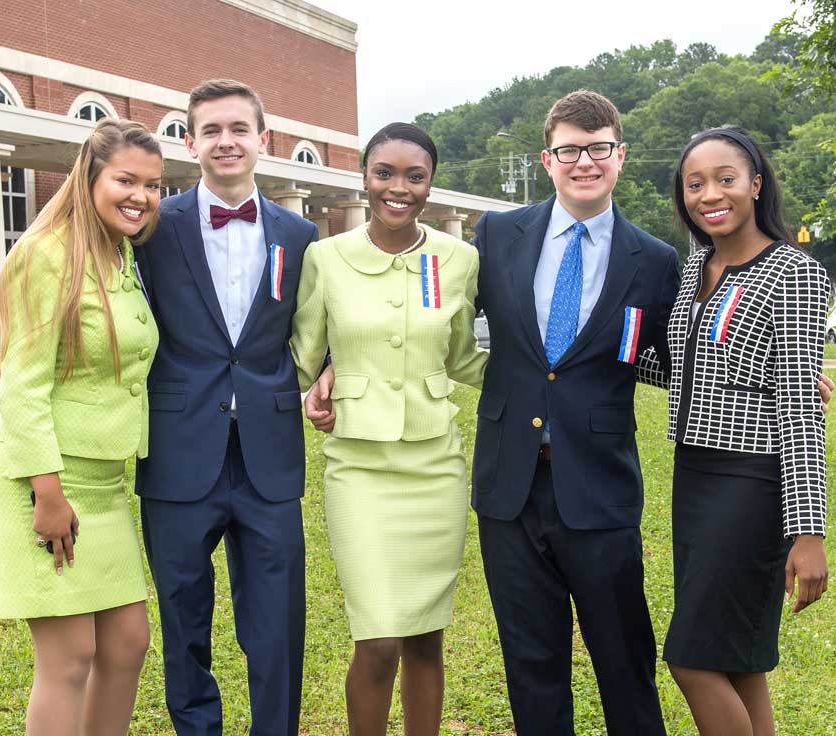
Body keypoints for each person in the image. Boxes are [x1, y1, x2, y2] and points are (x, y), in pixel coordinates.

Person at [469, 90, 677, 734]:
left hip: (599, 486)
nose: (583, 162)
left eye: (597, 150)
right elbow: (432, 317)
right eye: (569, 151)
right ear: (547, 158)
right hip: (509, 484)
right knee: (531, 662)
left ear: (620, 156)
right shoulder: (498, 234)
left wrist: (781, 373)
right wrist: (334, 359)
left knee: (624, 659)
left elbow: (679, 358)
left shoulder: (656, 260)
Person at [289, 122, 488, 736]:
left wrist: (551, 383)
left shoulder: (458, 260)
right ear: (365, 178)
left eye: (414, 176)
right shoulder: (325, 257)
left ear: (431, 184)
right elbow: (302, 353)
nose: (398, 188)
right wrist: (321, 376)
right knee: (378, 640)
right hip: (360, 468)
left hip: (437, 465)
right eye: (385, 174)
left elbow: (460, 357)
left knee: (427, 636)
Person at [134, 79, 318, 736]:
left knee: (277, 629)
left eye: (238, 128)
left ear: (262, 140)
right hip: (178, 453)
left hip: (269, 459)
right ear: (190, 142)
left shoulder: (300, 235)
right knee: (183, 624)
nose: (226, 140)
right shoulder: (154, 228)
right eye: (210, 130)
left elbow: (315, 330)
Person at [638, 126, 829, 736]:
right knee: (737, 661)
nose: (709, 194)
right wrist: (591, 346)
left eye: (725, 178)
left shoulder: (795, 273)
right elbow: (683, 366)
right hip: (694, 476)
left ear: (755, 183)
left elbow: (800, 406)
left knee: (691, 659)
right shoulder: (697, 266)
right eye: (695, 183)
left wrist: (809, 535)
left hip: (753, 482)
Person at [0, 119, 162, 736]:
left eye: (153, 185)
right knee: (70, 657)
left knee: (127, 644)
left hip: (107, 481)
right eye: (126, 180)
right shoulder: (46, 253)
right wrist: (47, 493)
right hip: (44, 479)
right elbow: (23, 382)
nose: (140, 196)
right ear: (91, 176)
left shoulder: (124, 254)